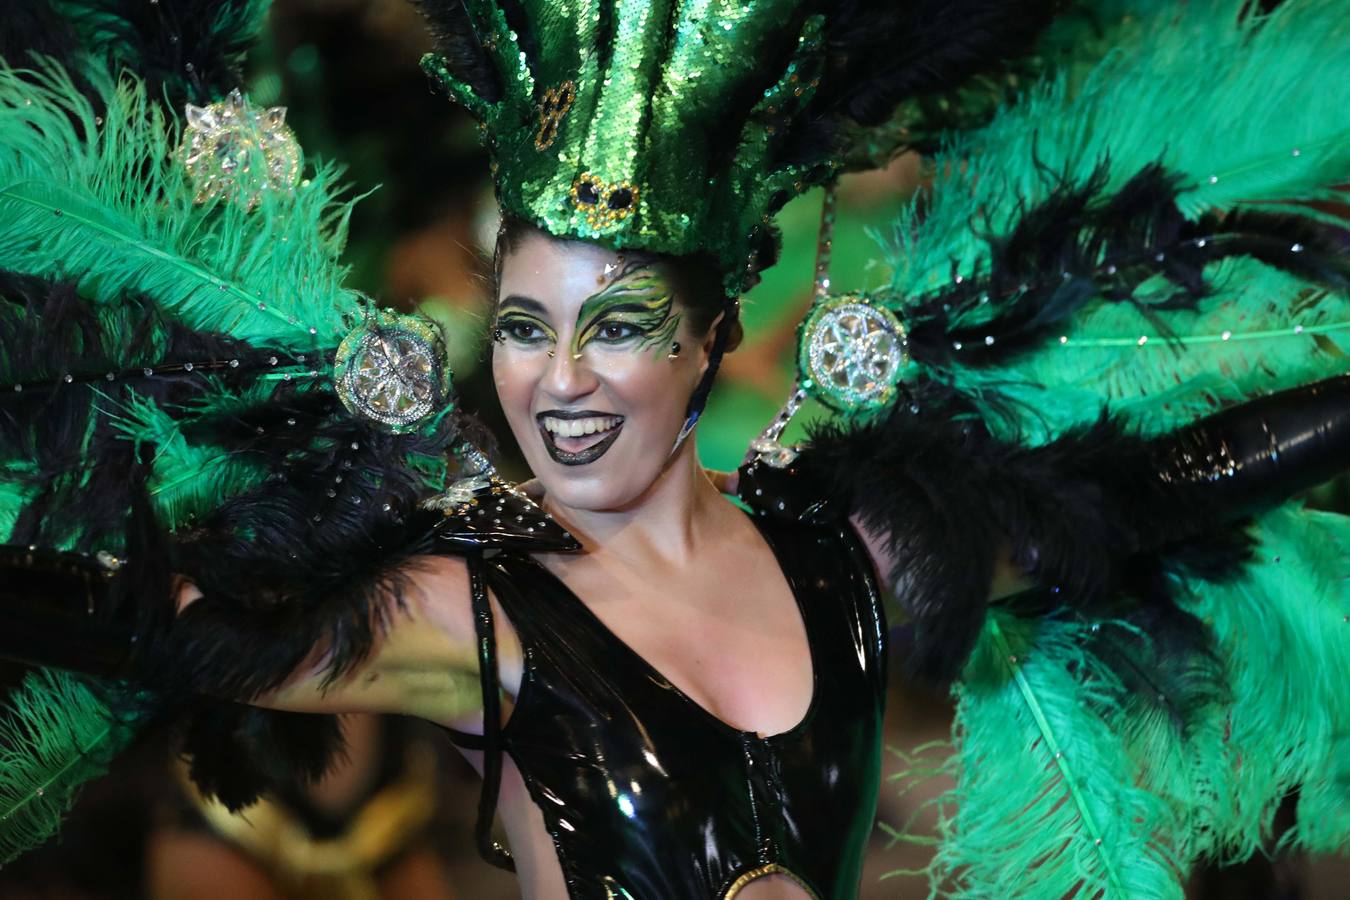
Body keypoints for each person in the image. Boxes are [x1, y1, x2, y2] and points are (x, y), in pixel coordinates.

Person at [0, 1, 1347, 898]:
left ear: (710, 339)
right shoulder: (474, 612)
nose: (561, 379)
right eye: (525, 325)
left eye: (620, 326)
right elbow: (154, 624)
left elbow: (1150, 495)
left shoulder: (847, 557)